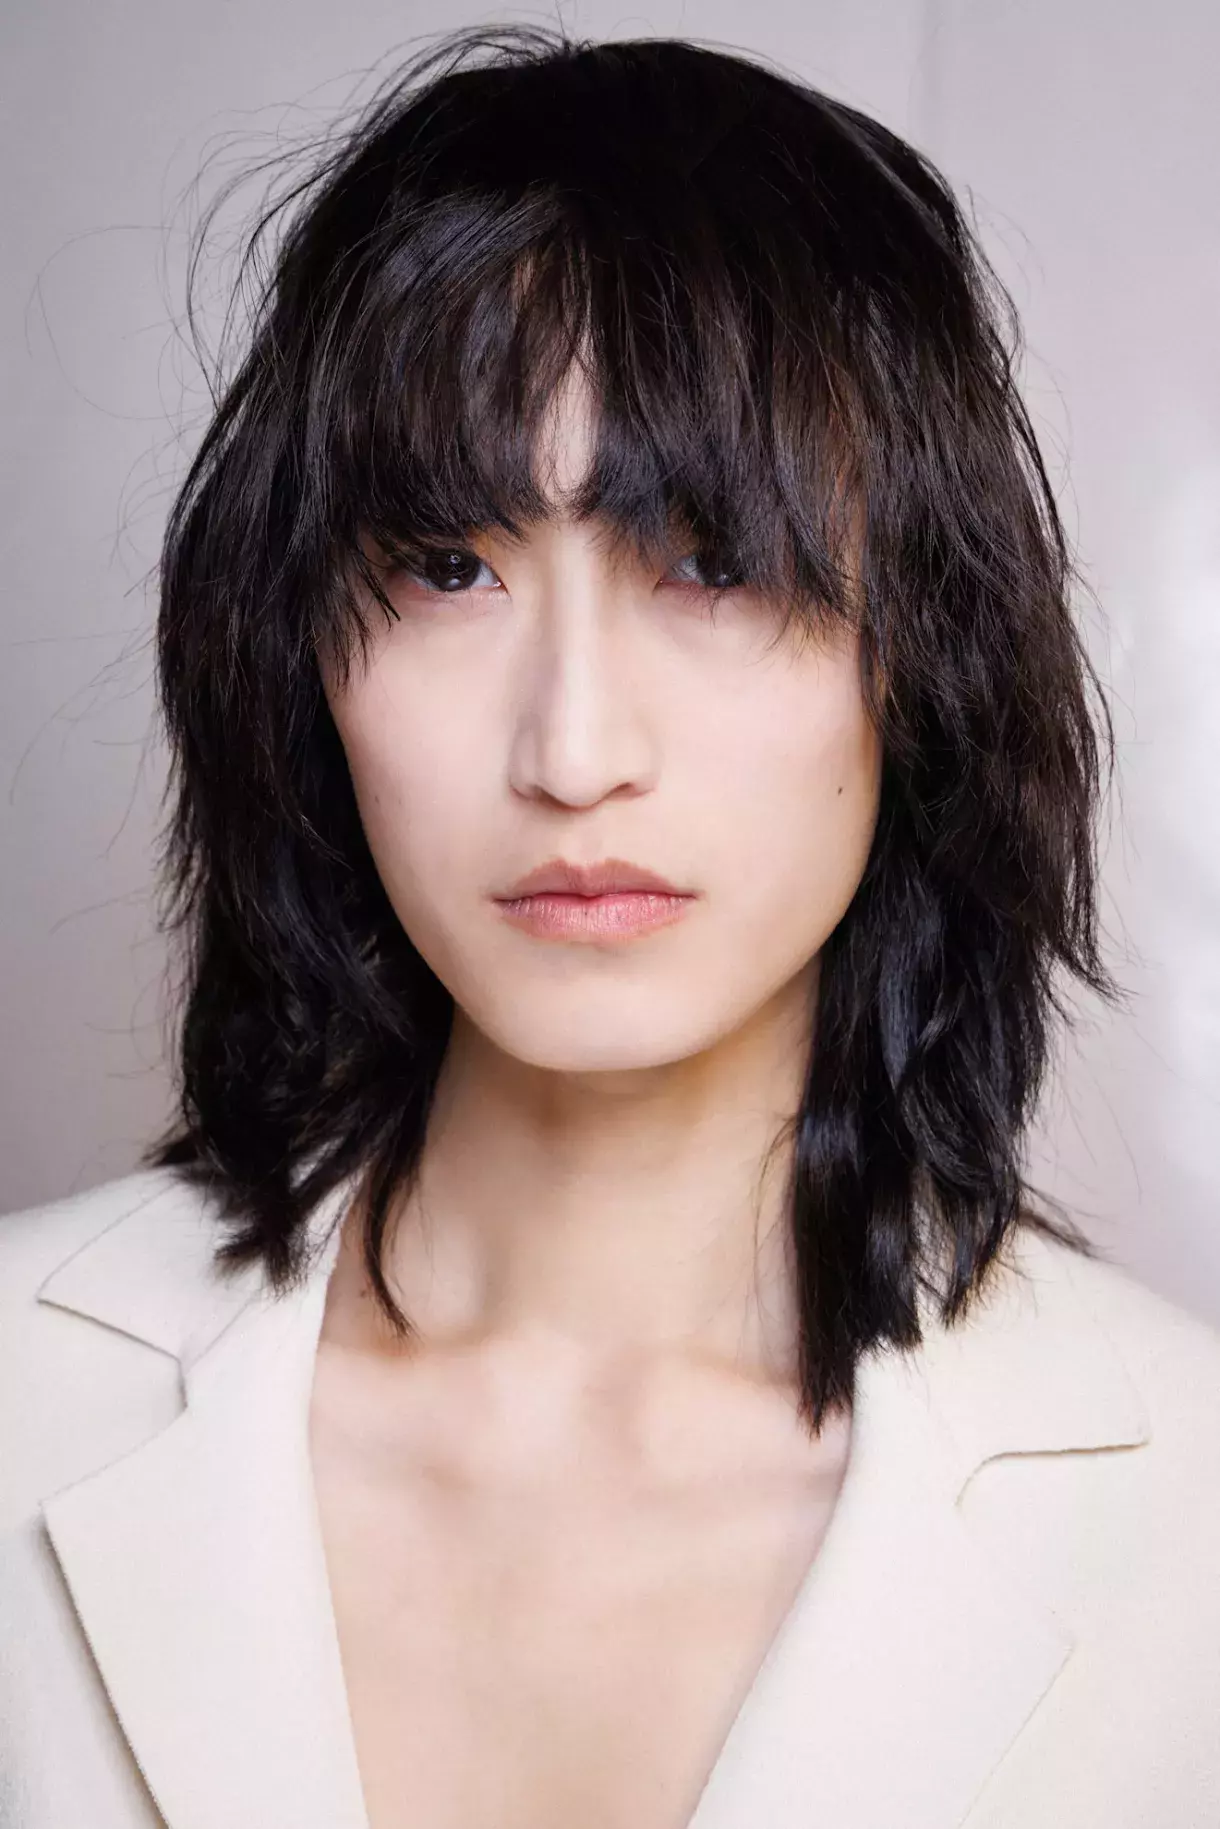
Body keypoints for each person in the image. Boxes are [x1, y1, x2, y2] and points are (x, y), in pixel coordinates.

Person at [2, 21, 1218, 1829]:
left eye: (713, 562)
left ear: (925, 645)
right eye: (446, 566)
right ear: (297, 654)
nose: (573, 753)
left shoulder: (1188, 1518)